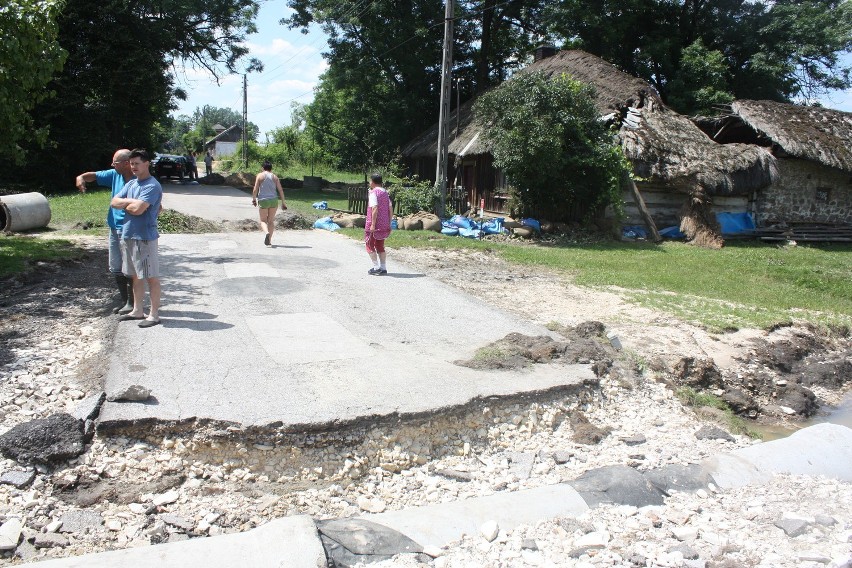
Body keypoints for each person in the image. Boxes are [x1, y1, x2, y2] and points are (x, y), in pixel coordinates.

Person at [75, 149, 135, 314]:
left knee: (130, 267)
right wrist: (80, 178)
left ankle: (132, 303)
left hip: (130, 229)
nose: (111, 165)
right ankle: (125, 301)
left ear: (125, 164)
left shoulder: (138, 179)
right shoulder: (114, 174)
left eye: (114, 163)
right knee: (115, 266)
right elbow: (93, 175)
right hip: (114, 227)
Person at [110, 149, 164, 328]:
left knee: (151, 277)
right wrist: (131, 204)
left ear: (147, 163)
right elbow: (113, 202)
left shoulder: (152, 185)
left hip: (144, 237)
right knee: (135, 276)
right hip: (128, 235)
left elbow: (138, 210)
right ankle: (138, 310)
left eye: (137, 163)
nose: (133, 167)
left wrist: (127, 204)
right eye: (131, 164)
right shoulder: (132, 184)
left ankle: (154, 315)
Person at [251, 161, 287, 246]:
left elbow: (255, 189)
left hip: (263, 200)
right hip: (274, 200)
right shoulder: (275, 177)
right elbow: (280, 190)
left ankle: (266, 233)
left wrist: (254, 199)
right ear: (271, 168)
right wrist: (283, 202)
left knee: (263, 221)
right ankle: (269, 240)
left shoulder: (260, 175)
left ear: (263, 168)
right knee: (270, 221)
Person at [365, 173, 392, 275]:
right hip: (384, 223)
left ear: (373, 182)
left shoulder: (373, 193)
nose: (369, 182)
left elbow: (374, 208)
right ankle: (383, 267)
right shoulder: (385, 192)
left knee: (369, 244)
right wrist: (389, 222)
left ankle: (376, 267)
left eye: (370, 181)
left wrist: (372, 224)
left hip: (375, 224)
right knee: (380, 245)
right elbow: (390, 208)